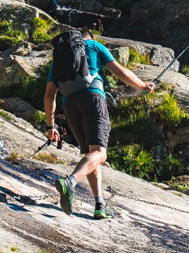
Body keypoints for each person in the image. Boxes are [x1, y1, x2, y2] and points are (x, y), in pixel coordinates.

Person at [43, 29, 155, 219]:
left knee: (91, 154)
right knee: (100, 153)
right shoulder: (94, 46)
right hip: (92, 98)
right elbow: (121, 72)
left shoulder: (60, 57)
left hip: (69, 104)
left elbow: (49, 94)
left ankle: (99, 204)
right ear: (88, 38)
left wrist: (50, 126)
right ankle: (70, 182)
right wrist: (143, 85)